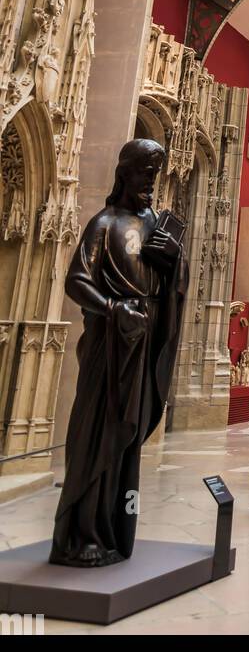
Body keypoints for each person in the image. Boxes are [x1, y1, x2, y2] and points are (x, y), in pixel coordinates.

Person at [50, 140, 187, 568]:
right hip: (110, 350)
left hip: (141, 346)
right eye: (146, 171)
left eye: (156, 173)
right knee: (98, 436)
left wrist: (174, 260)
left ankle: (112, 528)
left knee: (126, 440)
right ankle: (82, 533)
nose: (151, 181)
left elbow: (170, 287)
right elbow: (76, 281)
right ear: (124, 173)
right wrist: (114, 309)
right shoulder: (104, 223)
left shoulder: (154, 225)